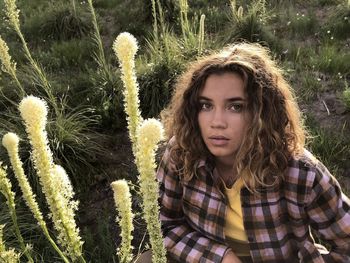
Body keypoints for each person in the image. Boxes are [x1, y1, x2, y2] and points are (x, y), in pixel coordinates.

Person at [156, 42, 350, 262]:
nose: (217, 122)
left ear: (261, 113)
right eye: (206, 106)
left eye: (235, 107)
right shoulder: (181, 154)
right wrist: (222, 257)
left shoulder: (300, 172)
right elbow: (163, 226)